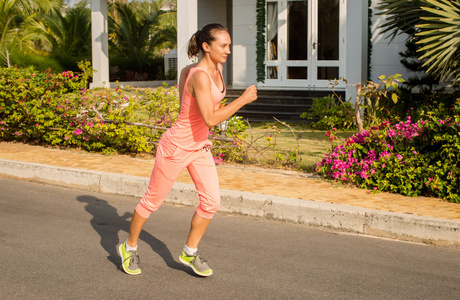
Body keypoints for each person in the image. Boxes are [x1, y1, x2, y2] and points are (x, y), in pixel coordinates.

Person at [118, 23, 258, 277]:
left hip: (199, 147)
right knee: (152, 201)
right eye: (223, 46)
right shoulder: (200, 77)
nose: (228, 51)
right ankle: (129, 248)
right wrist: (242, 100)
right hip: (177, 146)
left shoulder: (213, 67)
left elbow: (184, 77)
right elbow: (211, 119)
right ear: (206, 46)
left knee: (211, 201)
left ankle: (189, 252)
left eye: (228, 45)